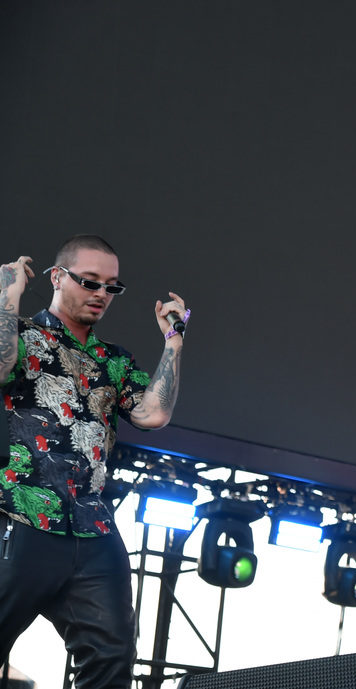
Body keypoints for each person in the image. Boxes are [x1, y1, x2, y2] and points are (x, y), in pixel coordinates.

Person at [0, 235, 188, 689]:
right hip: (22, 515)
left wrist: (173, 342)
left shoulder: (115, 361)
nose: (102, 293)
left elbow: (153, 414)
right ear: (58, 277)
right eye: (90, 282)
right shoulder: (23, 334)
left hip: (93, 529)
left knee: (112, 656)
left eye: (112, 286)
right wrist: (7, 297)